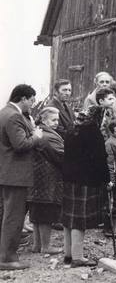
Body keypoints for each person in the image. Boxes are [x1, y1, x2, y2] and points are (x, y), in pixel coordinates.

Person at [62, 96, 110, 267]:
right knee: (79, 220)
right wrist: (107, 179)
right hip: (85, 180)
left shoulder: (72, 129)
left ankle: (68, 254)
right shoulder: (93, 132)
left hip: (69, 178)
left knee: (69, 218)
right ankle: (77, 257)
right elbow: (100, 159)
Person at [0, 85, 43, 270]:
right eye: (32, 100)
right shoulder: (15, 116)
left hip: (8, 173)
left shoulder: (4, 112)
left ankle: (5, 254)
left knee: (9, 214)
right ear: (23, 98)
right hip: (15, 175)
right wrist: (36, 136)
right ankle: (7, 259)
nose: (32, 104)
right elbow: (21, 144)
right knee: (14, 216)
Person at [27, 107, 63, 256]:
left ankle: (37, 245)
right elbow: (61, 155)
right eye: (53, 120)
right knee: (46, 212)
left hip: (36, 178)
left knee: (36, 212)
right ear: (43, 119)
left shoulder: (37, 132)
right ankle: (46, 246)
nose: (56, 123)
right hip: (48, 178)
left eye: (57, 119)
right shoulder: (49, 136)